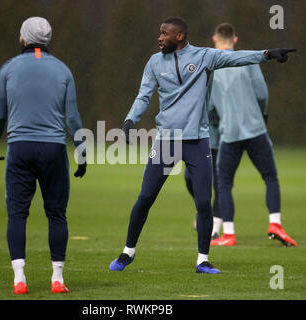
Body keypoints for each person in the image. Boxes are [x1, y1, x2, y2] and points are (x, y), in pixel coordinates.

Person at [108, 16, 296, 274]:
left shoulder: (205, 56)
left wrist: (268, 54)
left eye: (165, 33)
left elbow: (236, 58)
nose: (160, 38)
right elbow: (143, 95)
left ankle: (202, 260)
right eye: (160, 33)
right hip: (167, 142)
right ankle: (128, 252)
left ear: (180, 36)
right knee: (146, 197)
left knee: (204, 203)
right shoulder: (154, 62)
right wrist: (130, 119)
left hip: (197, 141)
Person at [0, 17, 87, 294]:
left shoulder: (8, 68)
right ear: (48, 40)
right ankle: (58, 279)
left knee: (17, 214)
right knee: (57, 214)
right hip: (53, 149)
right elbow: (73, 118)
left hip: (19, 148)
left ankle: (19, 279)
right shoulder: (63, 70)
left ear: (22, 38)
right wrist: (81, 151)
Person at [208, 23, 297, 247]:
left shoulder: (211, 68)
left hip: (229, 132)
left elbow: (209, 106)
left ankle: (228, 233)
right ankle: (274, 222)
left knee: (224, 183)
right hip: (255, 128)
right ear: (235, 40)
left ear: (215, 40)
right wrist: (263, 115)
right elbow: (261, 92)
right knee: (270, 177)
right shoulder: (247, 60)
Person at [184, 104, 221, 239]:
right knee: (189, 177)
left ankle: (214, 228)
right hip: (196, 138)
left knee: (220, 184)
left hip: (218, 140)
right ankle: (201, 209)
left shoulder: (222, 84)